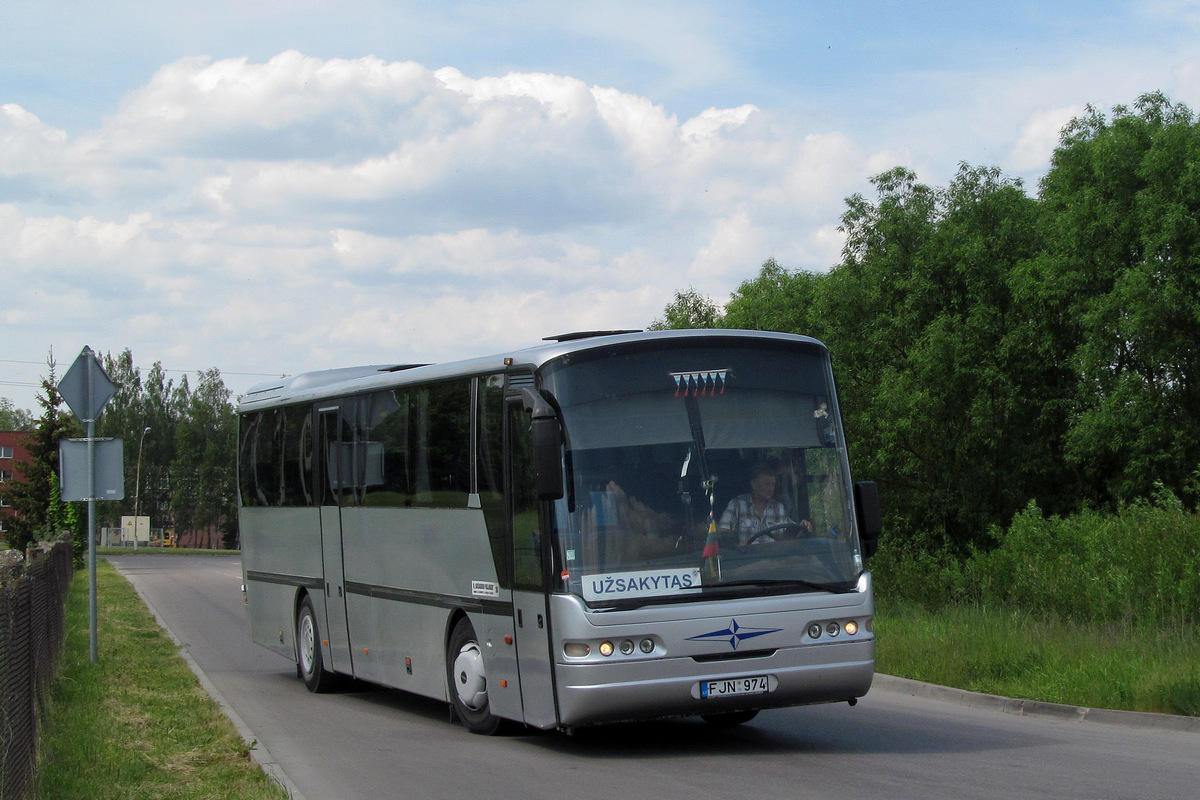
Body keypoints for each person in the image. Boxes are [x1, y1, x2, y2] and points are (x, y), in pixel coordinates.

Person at [717, 460, 812, 545]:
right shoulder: (736, 505)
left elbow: (787, 534)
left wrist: (801, 526)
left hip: (775, 560)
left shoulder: (779, 508)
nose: (771, 489)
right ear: (754, 484)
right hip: (745, 559)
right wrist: (740, 545)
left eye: (773, 485)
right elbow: (723, 532)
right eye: (767, 484)